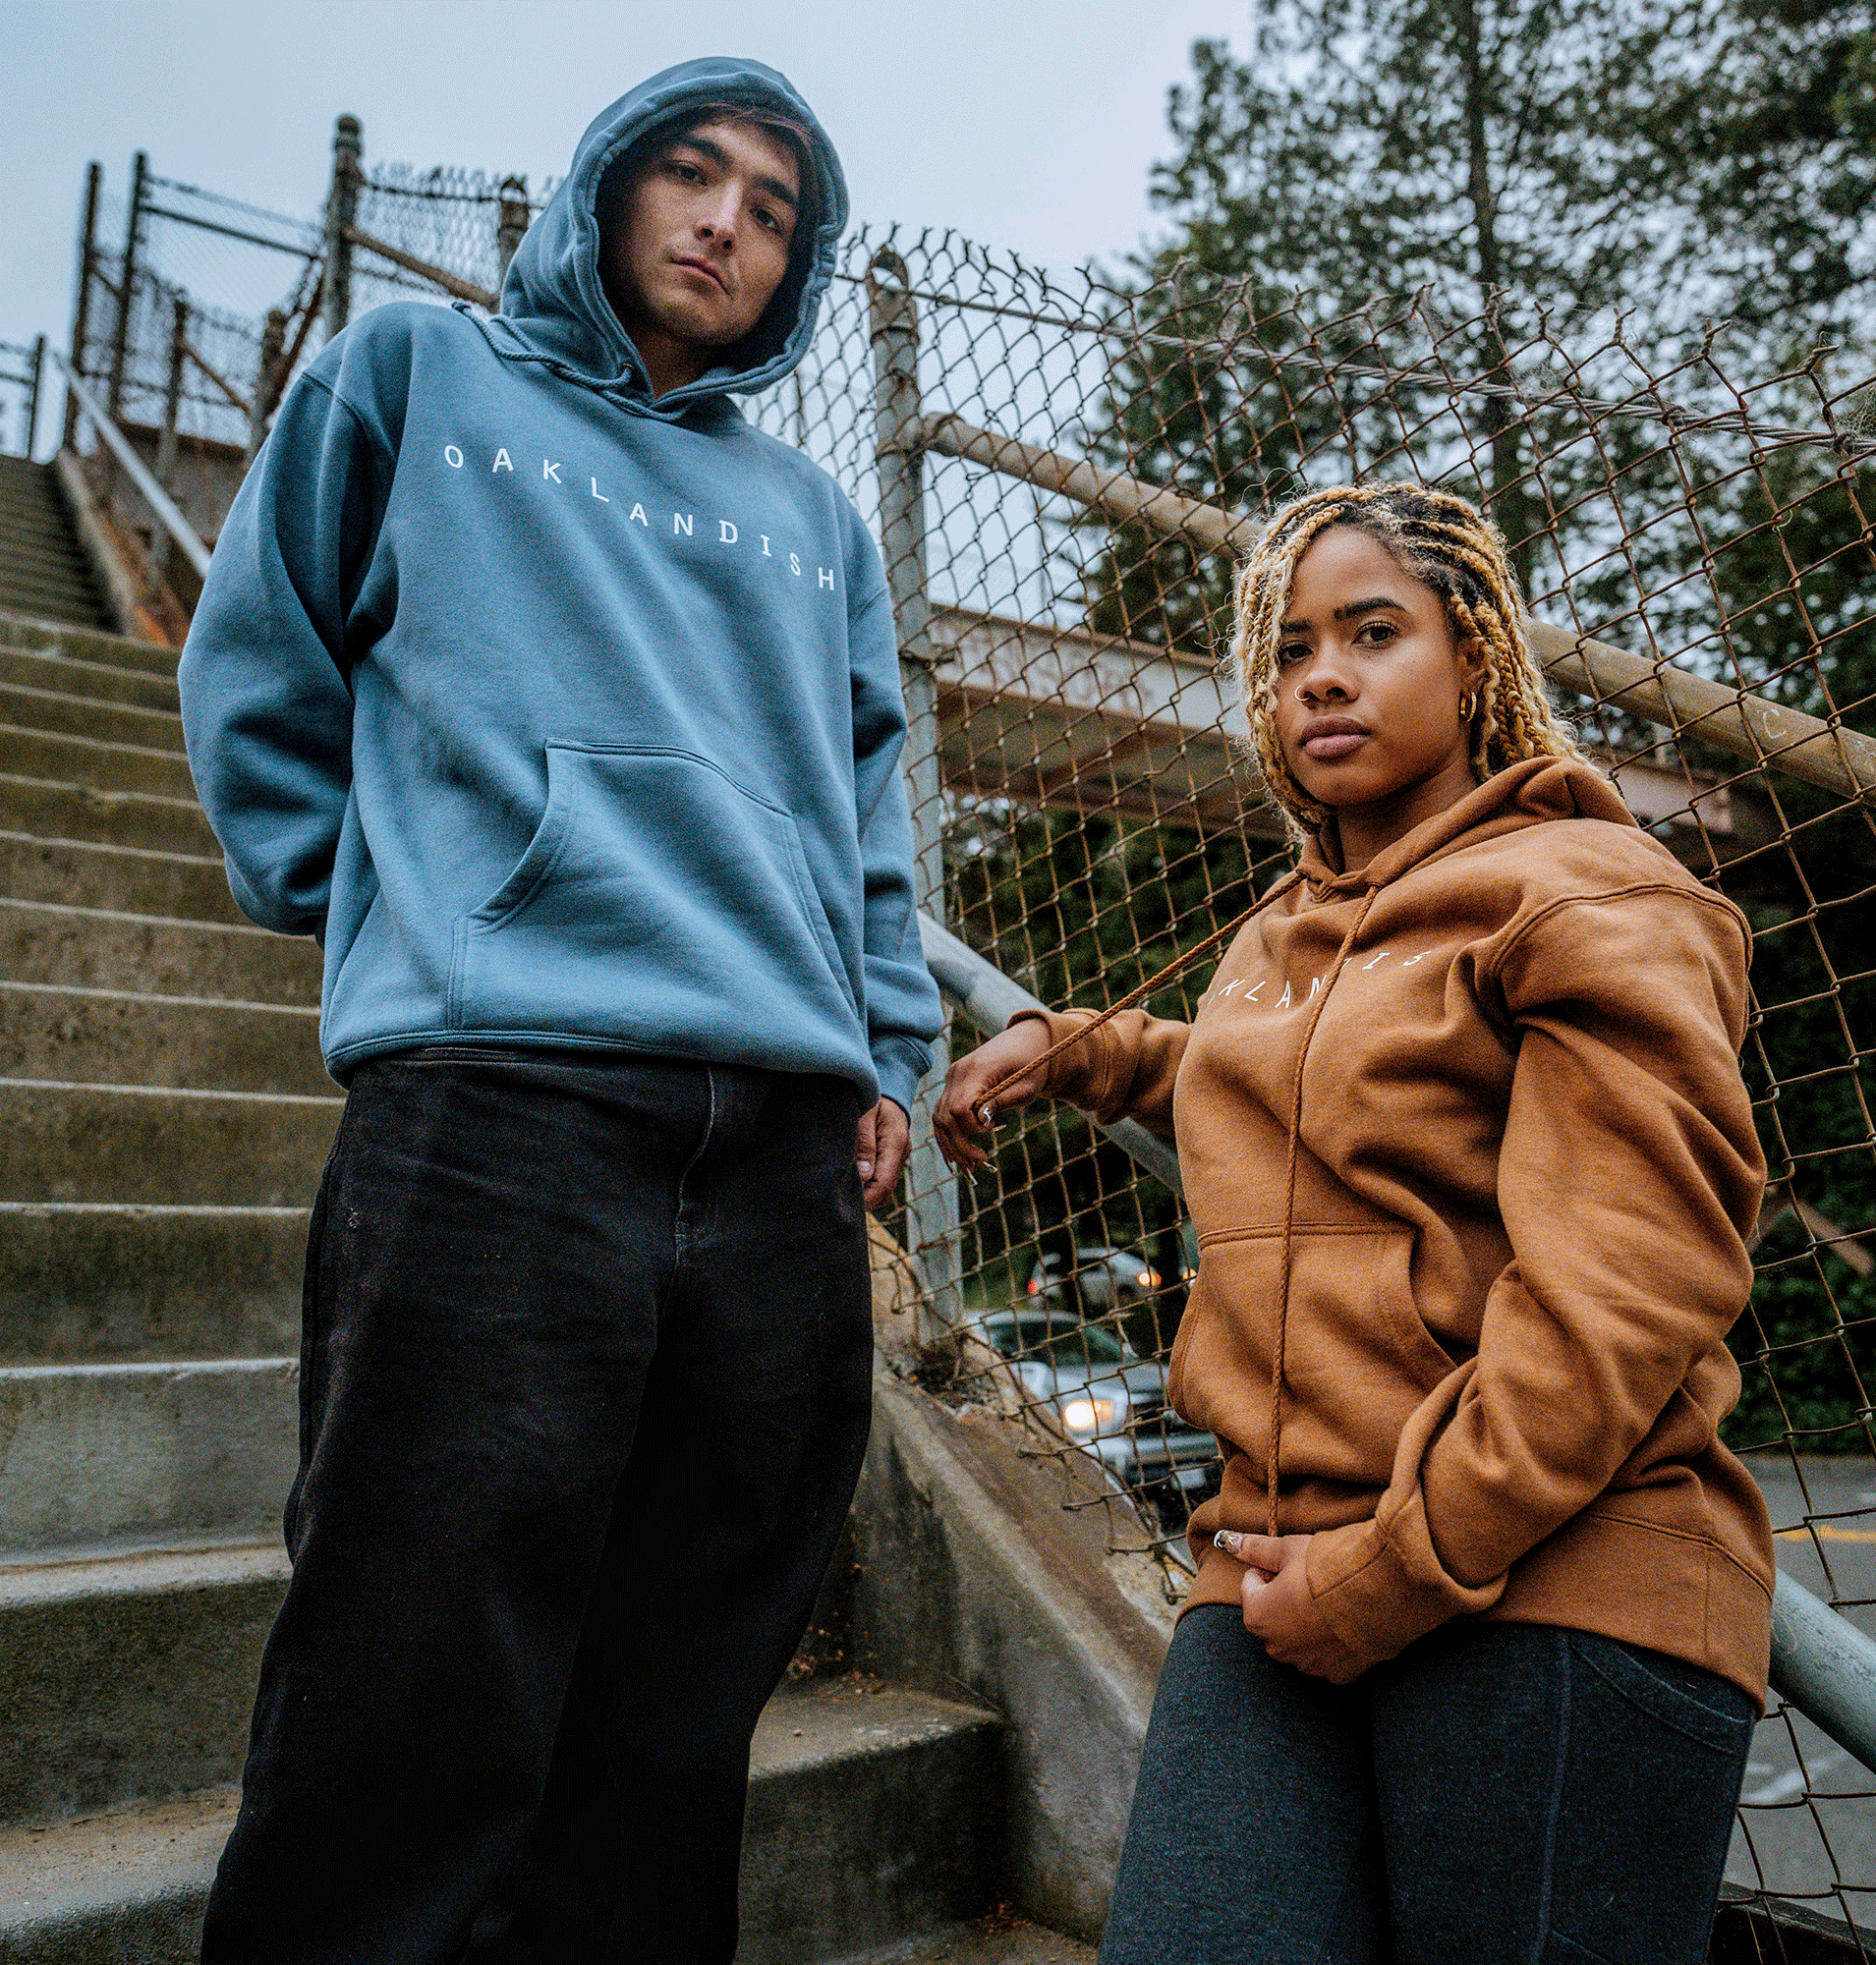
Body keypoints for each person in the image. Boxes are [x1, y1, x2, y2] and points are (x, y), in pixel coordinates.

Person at [178, 57, 941, 1965]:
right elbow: (262, 662)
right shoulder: (416, 383)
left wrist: (886, 1043)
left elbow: (865, 804)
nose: (724, 226)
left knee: (681, 1695)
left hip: (772, 1142)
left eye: (773, 210)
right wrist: (364, 899)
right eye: (691, 177)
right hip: (500, 1097)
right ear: (602, 190)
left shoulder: (812, 521)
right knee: (409, 1661)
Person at [937, 481, 1773, 1965]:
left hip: (1550, 1580)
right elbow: (1320, 1085)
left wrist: (1389, 1576)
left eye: (1373, 632)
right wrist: (1088, 1049)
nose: (1318, 673)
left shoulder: (1594, 895)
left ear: (1476, 661)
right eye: (1288, 648)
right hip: (1270, 1568)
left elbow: (1626, 1293)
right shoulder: (1285, 929)